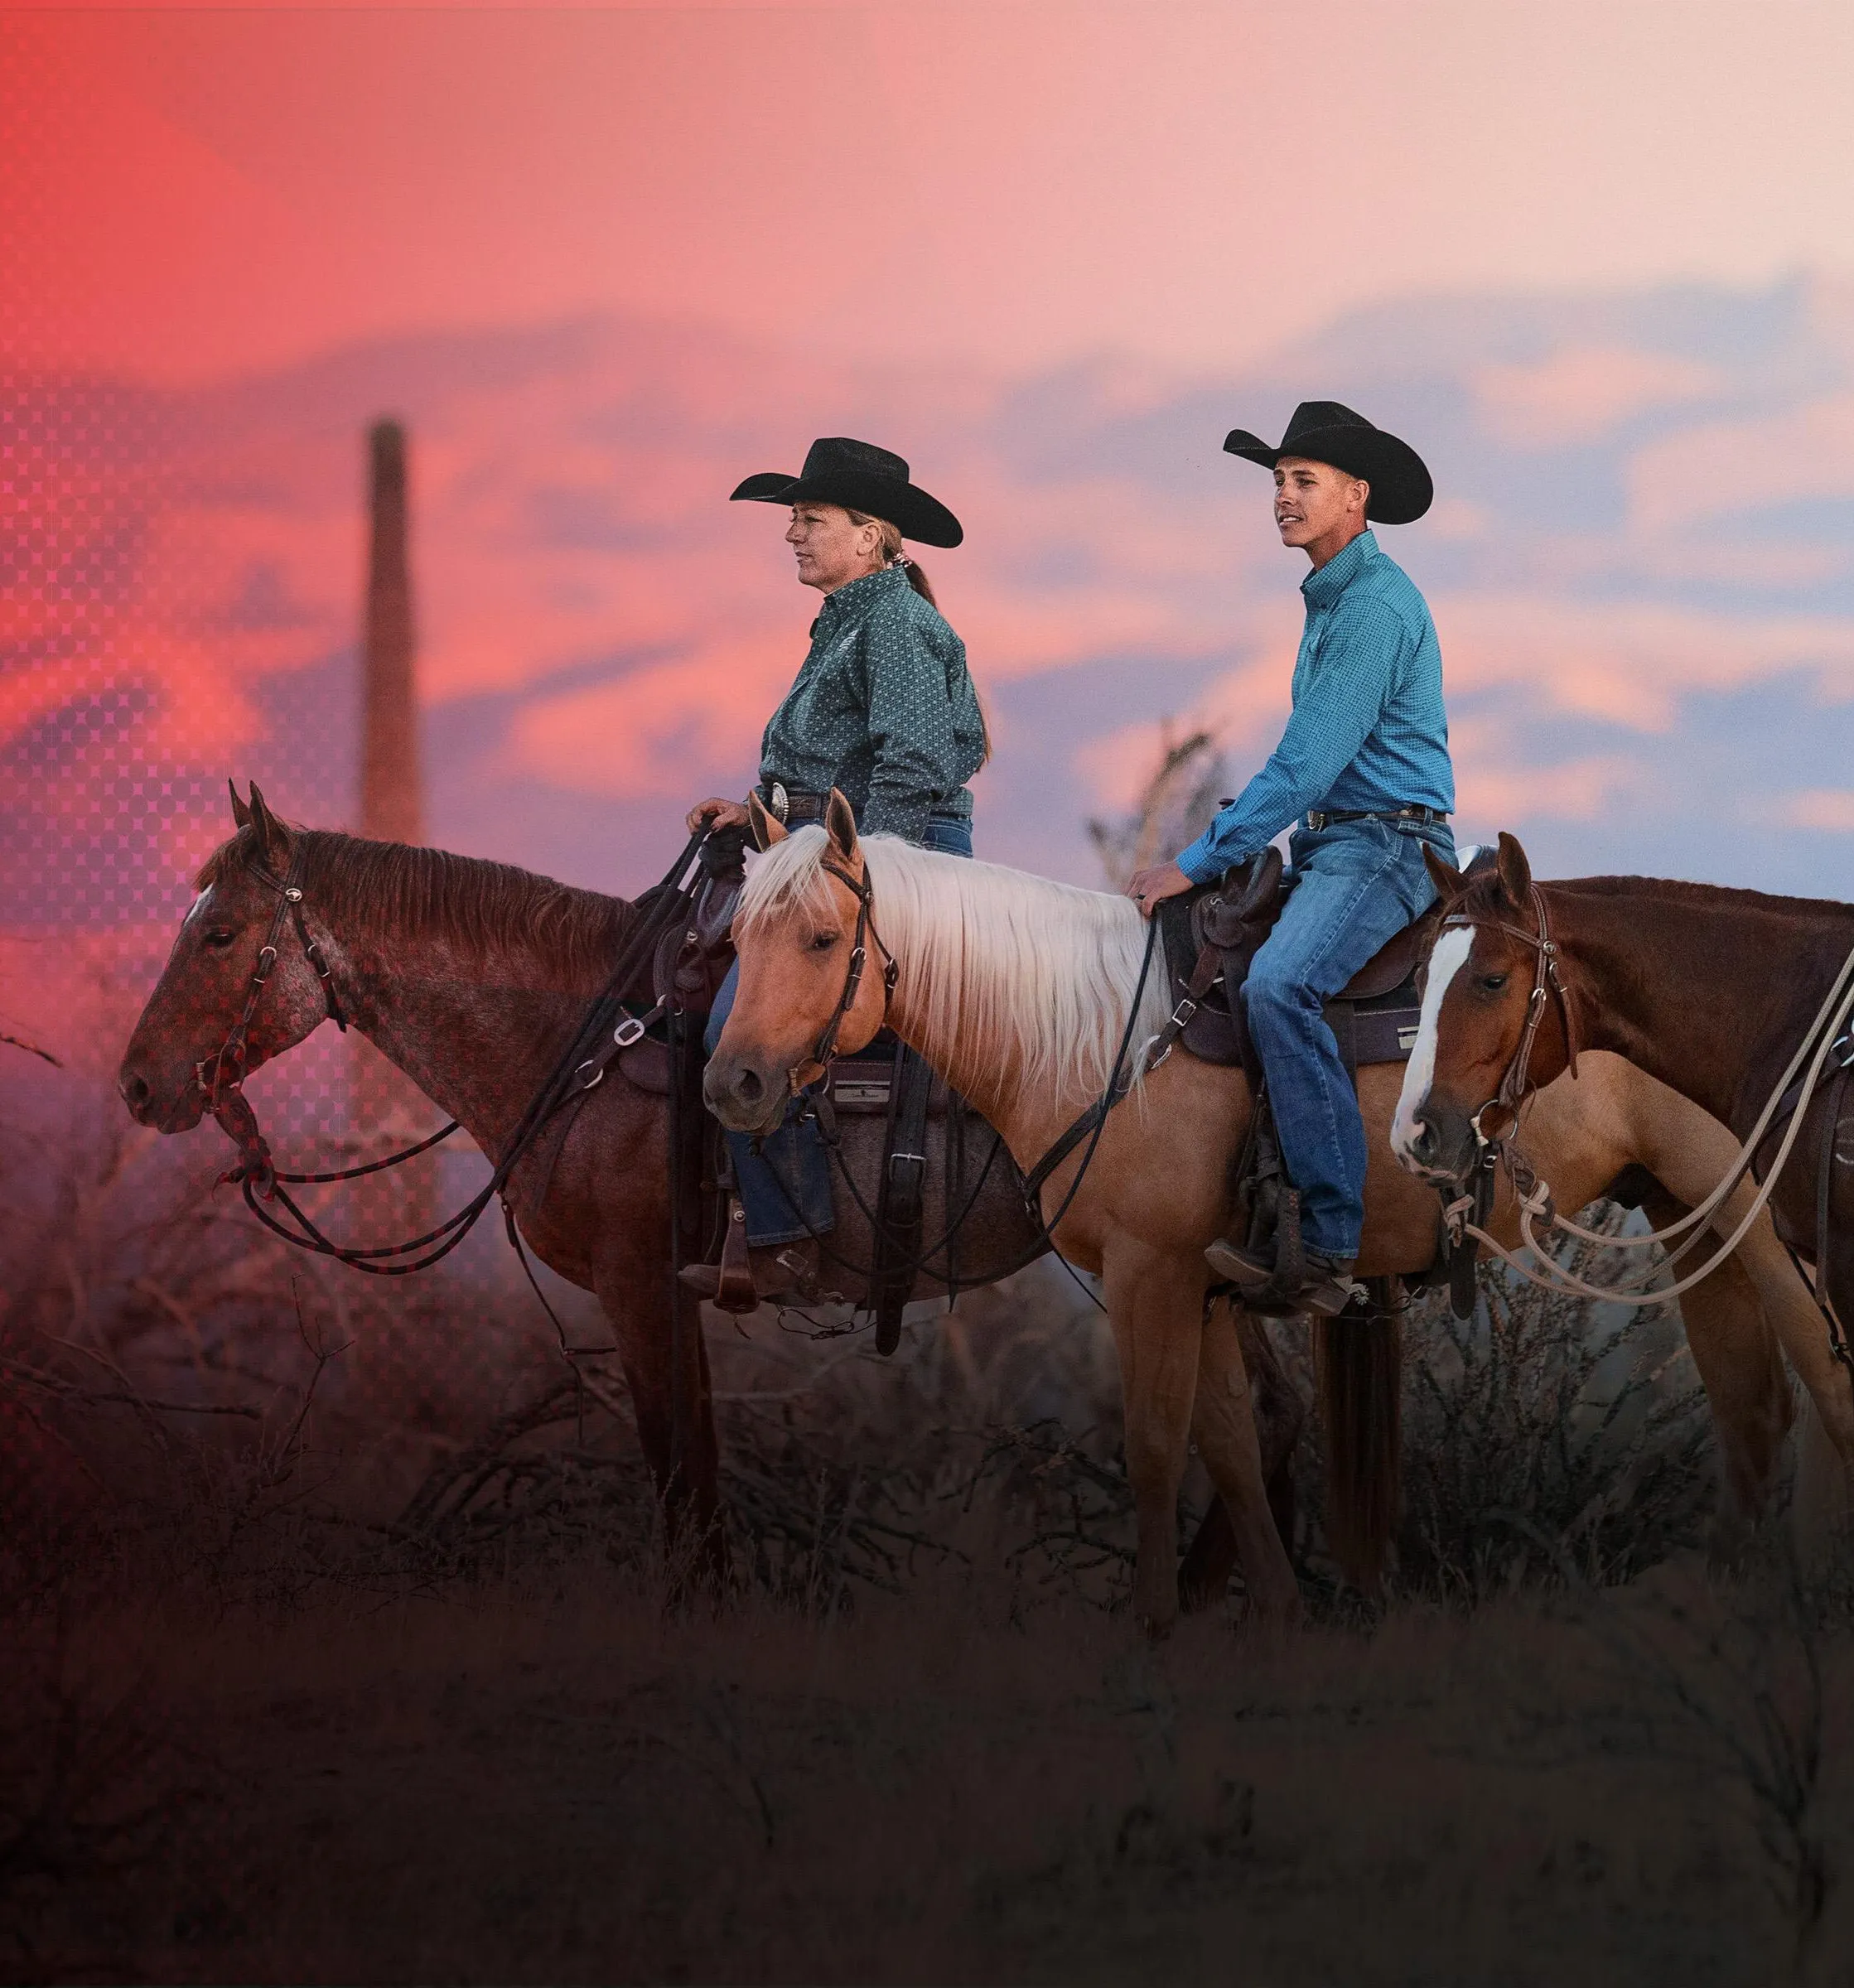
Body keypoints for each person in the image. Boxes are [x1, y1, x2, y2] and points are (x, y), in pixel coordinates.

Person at [1125, 402, 1457, 1315]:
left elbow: (1309, 764)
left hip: (1384, 843)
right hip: (1338, 841)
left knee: (1280, 986)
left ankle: (1328, 1242)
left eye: (1302, 481)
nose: (1282, 497)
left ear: (1358, 497)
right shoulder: (1334, 600)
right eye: (1277, 481)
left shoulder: (1375, 607)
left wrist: (1197, 860)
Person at [680, 436, 987, 1307]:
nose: (792, 535)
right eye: (793, 520)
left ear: (871, 535)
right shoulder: (854, 619)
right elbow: (837, 764)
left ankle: (790, 1241)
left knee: (734, 1038)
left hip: (893, 860)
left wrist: (856, 876)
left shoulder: (891, 624)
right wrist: (754, 812)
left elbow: (914, 768)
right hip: (833, 854)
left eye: (809, 520)